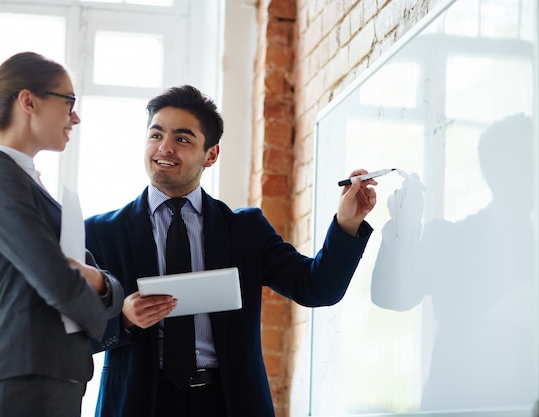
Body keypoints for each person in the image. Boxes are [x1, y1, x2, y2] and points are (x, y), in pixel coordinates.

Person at [85, 84, 378, 417]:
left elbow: (317, 287)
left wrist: (347, 224)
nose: (164, 148)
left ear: (211, 155)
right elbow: (68, 332)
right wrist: (122, 319)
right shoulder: (100, 233)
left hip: (229, 403)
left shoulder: (246, 230)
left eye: (182, 139)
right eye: (156, 135)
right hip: (138, 403)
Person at [0, 52, 124, 417]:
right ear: (28, 101)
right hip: (21, 387)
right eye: (69, 102)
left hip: (48, 383)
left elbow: (94, 279)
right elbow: (57, 279)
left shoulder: (27, 184)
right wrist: (104, 300)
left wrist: (97, 280)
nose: (76, 117)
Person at [371, 113, 537, 410]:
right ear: (493, 172)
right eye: (522, 162)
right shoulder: (450, 240)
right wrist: (405, 225)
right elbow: (390, 295)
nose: (529, 173)